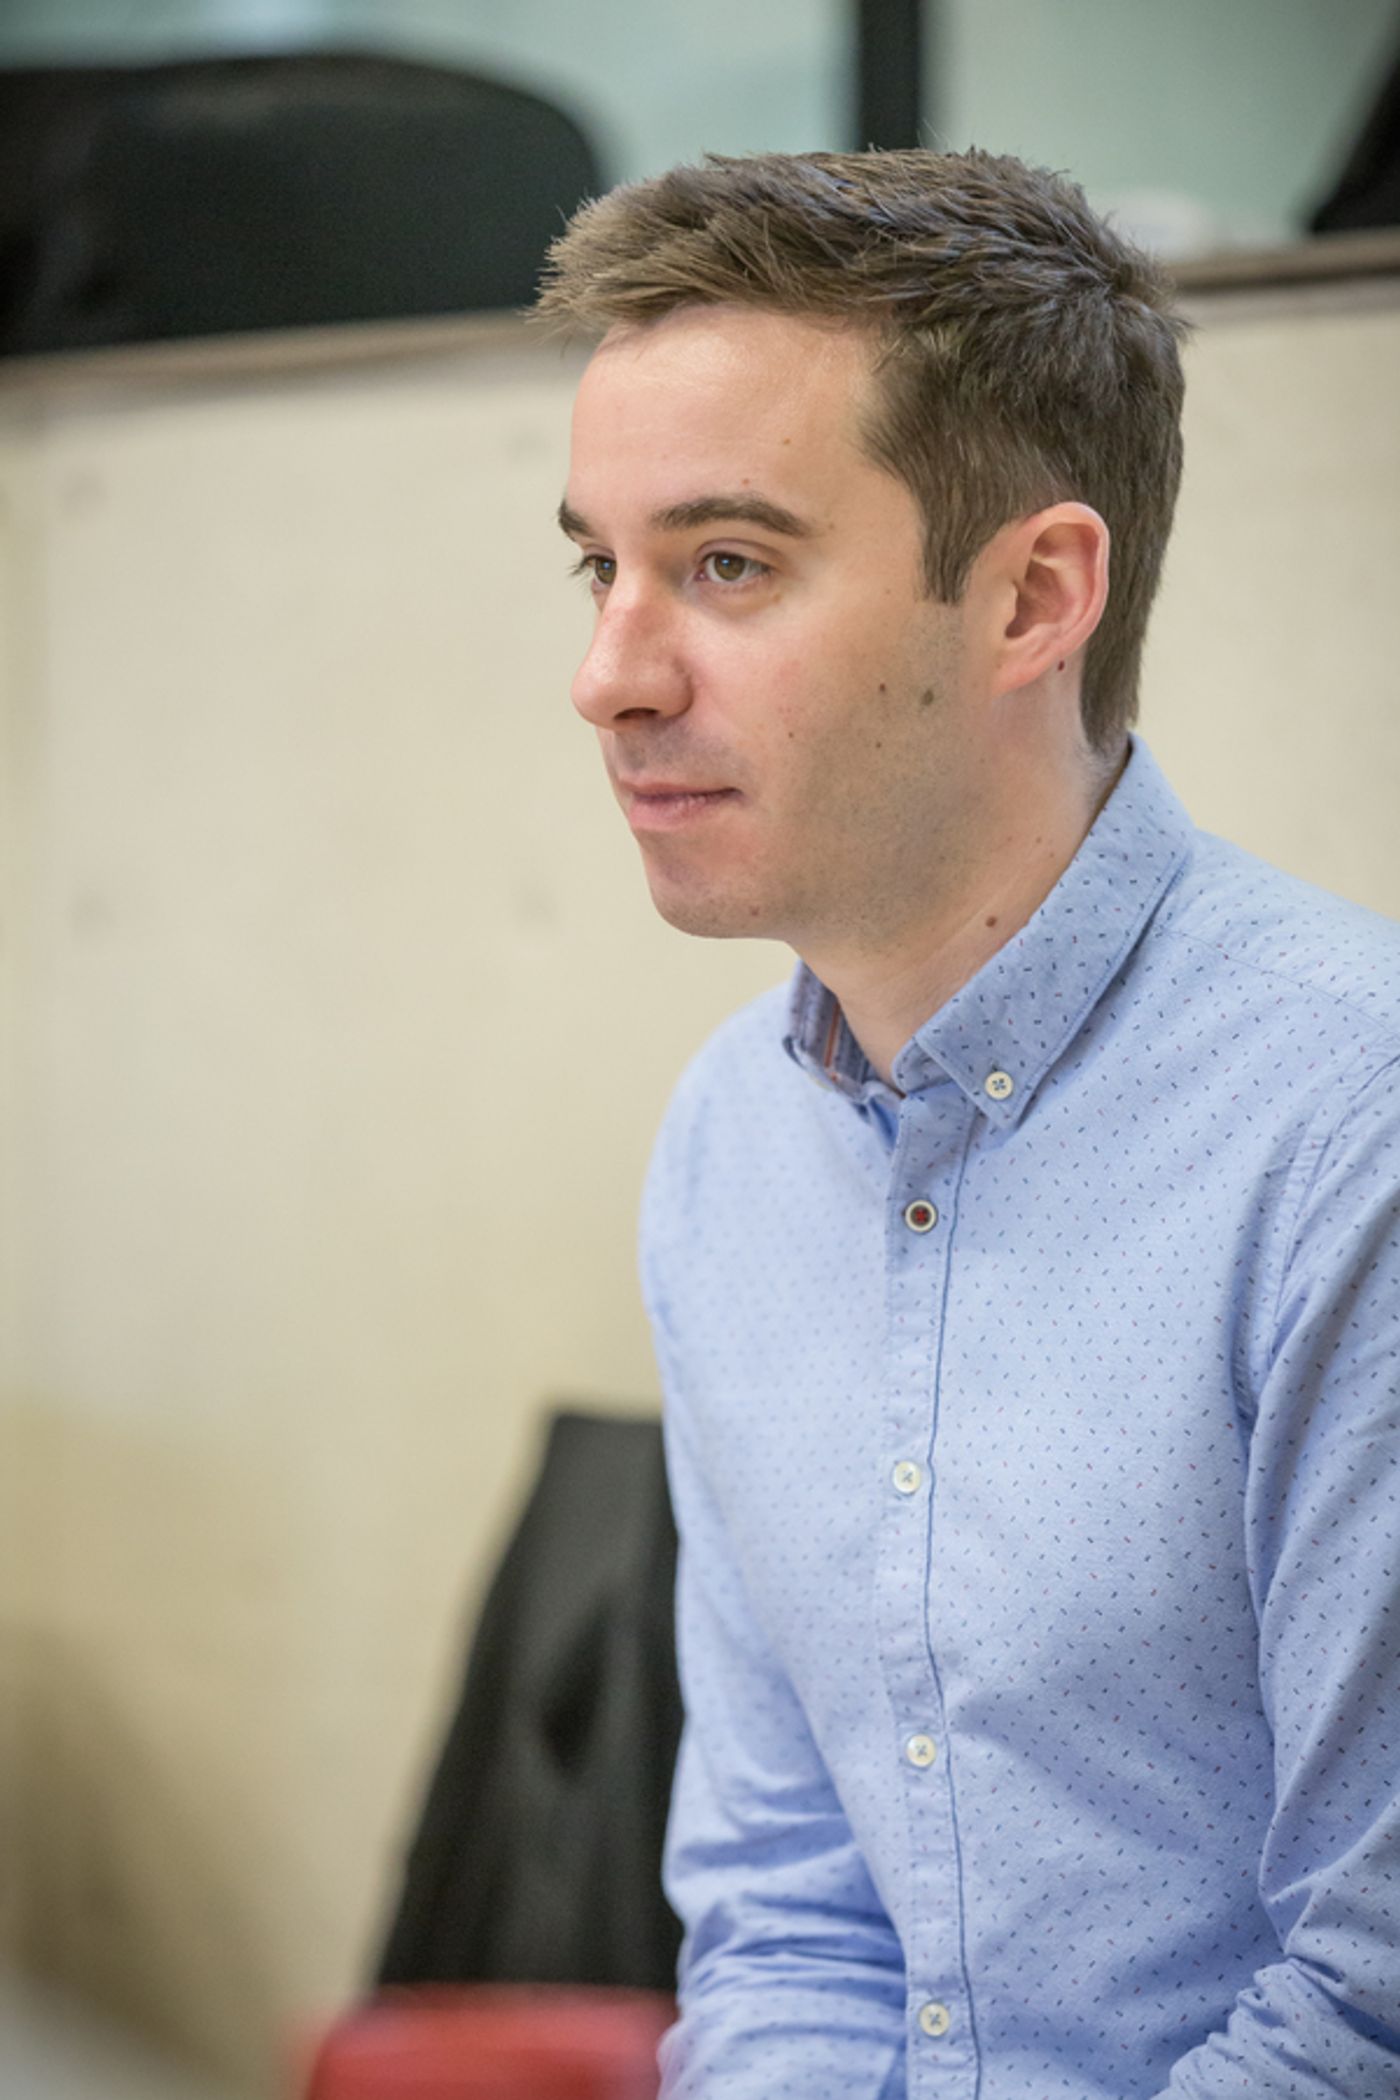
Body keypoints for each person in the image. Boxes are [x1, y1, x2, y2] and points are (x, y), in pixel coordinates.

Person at [535, 149, 1400, 2099]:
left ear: (1033, 595)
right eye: (604, 565)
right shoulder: (726, 1144)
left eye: (727, 565)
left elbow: (1372, 2009)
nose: (609, 676)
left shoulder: (1354, 1132)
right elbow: (785, 1902)